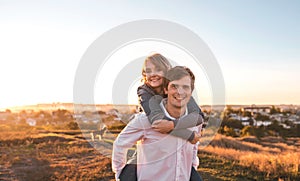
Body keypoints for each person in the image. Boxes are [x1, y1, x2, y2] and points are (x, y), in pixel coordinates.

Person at [112, 66, 203, 181]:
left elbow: (194, 147)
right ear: (166, 90)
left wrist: (192, 167)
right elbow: (120, 144)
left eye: (185, 87)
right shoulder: (145, 121)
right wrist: (120, 174)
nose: (180, 92)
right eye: (174, 86)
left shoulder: (194, 122)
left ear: (191, 92)